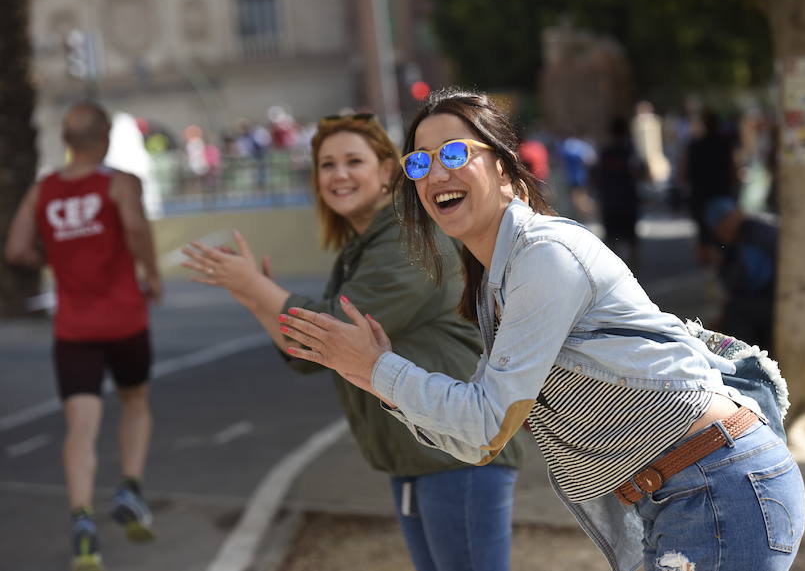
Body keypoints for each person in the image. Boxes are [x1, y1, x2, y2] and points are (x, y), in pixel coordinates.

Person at [280, 89, 805, 571]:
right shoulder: (497, 283)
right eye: (419, 161)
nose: (436, 173)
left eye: (456, 154)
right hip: (679, 493)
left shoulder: (545, 257)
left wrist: (376, 368)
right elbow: (479, 440)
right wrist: (375, 376)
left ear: (506, 170)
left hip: (717, 486)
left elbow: (485, 424)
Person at [180, 113, 524, 571]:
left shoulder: (407, 238)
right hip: (420, 456)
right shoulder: (365, 245)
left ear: (387, 171)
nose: (338, 174)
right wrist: (251, 292)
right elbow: (306, 355)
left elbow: (335, 332)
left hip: (455, 457)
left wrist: (257, 289)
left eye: (352, 161)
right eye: (326, 165)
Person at [5, 101, 161, 571]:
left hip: (73, 327)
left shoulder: (42, 191)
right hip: (125, 320)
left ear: (67, 143)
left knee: (80, 426)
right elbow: (134, 225)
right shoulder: (119, 184)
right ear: (106, 138)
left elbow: (15, 249)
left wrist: (53, 259)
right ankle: (130, 488)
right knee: (134, 401)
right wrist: (151, 274)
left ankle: (82, 521)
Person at [704, 196, 778, 354]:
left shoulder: (755, 236)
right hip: (762, 299)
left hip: (769, 300)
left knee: (735, 315)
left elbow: (749, 280)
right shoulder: (740, 238)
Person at [680, 111, 739, 266]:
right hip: (722, 195)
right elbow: (734, 170)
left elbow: (683, 174)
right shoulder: (726, 145)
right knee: (724, 237)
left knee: (704, 237)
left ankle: (709, 271)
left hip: (701, 198)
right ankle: (719, 271)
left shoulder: (694, 146)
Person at [589, 116, 644, 272]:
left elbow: (594, 174)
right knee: (631, 237)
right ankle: (633, 270)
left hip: (609, 200)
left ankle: (615, 270)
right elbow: (640, 171)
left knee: (612, 238)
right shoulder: (630, 151)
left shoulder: (604, 152)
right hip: (627, 200)